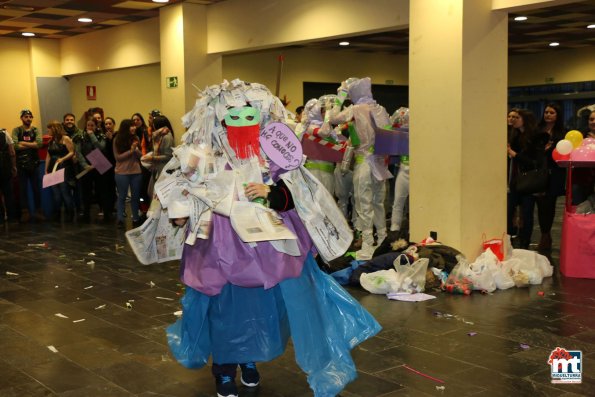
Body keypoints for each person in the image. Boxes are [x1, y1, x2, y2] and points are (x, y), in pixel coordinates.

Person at [154, 79, 379, 397]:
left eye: (249, 116)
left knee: (259, 305)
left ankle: (247, 358)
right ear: (221, 118)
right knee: (223, 306)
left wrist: (271, 192)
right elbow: (185, 191)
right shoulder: (207, 153)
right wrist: (180, 212)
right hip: (220, 245)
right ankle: (224, 368)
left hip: (265, 246)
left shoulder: (272, 151)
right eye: (234, 116)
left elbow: (295, 192)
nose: (243, 123)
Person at [327, 77, 391, 260]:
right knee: (379, 202)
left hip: (364, 162)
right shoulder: (381, 109)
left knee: (364, 205)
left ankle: (367, 244)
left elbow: (332, 118)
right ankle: (383, 239)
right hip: (380, 164)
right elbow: (388, 133)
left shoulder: (355, 109)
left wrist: (340, 97)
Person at [507, 108, 549, 249]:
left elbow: (534, 162)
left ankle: (525, 243)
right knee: (509, 212)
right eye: (511, 117)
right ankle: (511, 240)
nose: (513, 120)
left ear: (525, 119)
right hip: (514, 181)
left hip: (528, 182)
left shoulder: (535, 137)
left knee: (527, 213)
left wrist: (514, 154)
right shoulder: (514, 135)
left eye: (517, 117)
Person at [535, 103, 566, 252]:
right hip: (539, 173)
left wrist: (550, 149)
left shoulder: (562, 132)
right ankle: (544, 235)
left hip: (555, 173)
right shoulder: (537, 130)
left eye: (551, 113)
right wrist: (543, 149)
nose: (548, 115)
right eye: (546, 112)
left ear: (557, 115)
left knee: (550, 204)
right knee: (541, 206)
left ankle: (546, 235)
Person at [12, 109, 44, 222]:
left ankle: (39, 212)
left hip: (34, 163)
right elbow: (15, 146)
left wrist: (23, 143)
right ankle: (24, 213)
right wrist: (32, 144)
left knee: (36, 188)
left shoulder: (36, 130)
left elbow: (40, 144)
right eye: (26, 117)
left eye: (30, 117)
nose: (28, 119)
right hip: (21, 164)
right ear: (21, 118)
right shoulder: (16, 130)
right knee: (22, 189)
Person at [74, 117, 106, 222]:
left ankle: (103, 210)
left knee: (100, 189)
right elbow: (78, 152)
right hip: (86, 167)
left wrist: (92, 136)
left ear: (96, 126)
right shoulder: (80, 137)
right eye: (88, 125)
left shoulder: (100, 136)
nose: (90, 127)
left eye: (92, 125)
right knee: (86, 191)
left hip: (98, 165)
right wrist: (85, 165)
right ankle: (86, 213)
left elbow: (100, 147)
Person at [113, 119, 142, 229]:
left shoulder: (136, 138)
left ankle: (135, 218)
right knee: (122, 196)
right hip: (121, 172)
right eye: (131, 126)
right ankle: (120, 219)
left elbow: (141, 156)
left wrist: (135, 150)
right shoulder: (117, 139)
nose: (134, 128)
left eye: (134, 126)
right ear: (126, 128)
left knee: (136, 197)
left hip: (136, 172)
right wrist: (131, 150)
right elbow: (118, 158)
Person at [45, 121, 75, 222]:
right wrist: (46, 169)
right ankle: (57, 213)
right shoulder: (51, 141)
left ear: (55, 129)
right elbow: (48, 156)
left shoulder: (65, 138)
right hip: (53, 168)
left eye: (49, 128)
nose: (48, 130)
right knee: (56, 193)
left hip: (63, 167)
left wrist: (63, 159)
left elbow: (71, 152)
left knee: (64, 191)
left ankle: (70, 213)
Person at [142, 115, 174, 197]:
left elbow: (168, 156)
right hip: (157, 168)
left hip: (163, 170)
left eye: (153, 123)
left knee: (158, 195)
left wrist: (152, 158)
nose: (152, 125)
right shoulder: (159, 135)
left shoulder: (167, 136)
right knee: (151, 192)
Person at [0, 128, 17, 224]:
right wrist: (14, 167)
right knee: (8, 193)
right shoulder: (4, 133)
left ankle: (1, 218)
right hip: (5, 168)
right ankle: (12, 218)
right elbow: (12, 152)